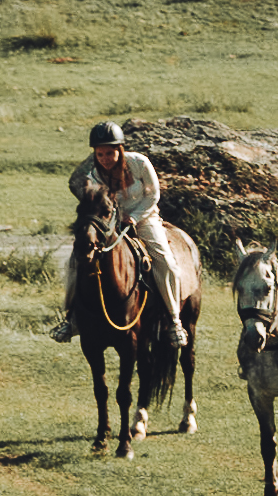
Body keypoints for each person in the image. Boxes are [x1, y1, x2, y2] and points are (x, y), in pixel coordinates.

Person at [55, 121, 190, 348]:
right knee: (75, 263)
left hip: (146, 218)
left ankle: (174, 320)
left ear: (120, 149)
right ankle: (71, 319)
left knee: (166, 262)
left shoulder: (140, 164)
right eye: (100, 154)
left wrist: (135, 217)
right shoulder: (94, 175)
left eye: (110, 152)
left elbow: (153, 195)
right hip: (112, 224)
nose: (105, 158)